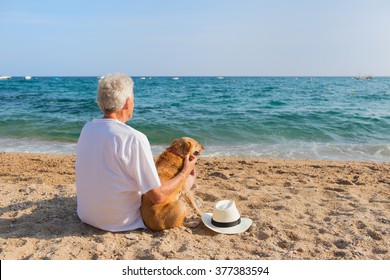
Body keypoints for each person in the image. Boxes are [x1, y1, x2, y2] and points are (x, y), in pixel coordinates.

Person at [75, 73, 196, 232]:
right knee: (188, 178)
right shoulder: (134, 138)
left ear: (100, 103)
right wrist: (185, 172)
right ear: (127, 102)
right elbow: (157, 196)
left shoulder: (87, 128)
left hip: (86, 215)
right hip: (119, 221)